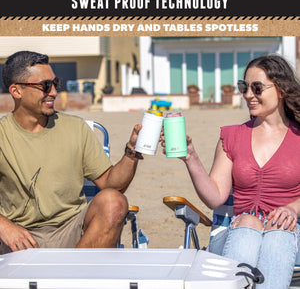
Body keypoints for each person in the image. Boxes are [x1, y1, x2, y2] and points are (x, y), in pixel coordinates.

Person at [162, 54, 300, 288]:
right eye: (244, 87)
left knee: (278, 229)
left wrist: (292, 208)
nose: (248, 95)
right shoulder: (232, 136)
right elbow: (215, 197)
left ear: (281, 90)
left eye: (257, 88)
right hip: (237, 233)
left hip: (290, 235)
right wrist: (191, 158)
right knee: (248, 222)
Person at [0, 50, 144, 254]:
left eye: (55, 83)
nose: (54, 93)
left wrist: (131, 152)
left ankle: (74, 274)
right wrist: (4, 226)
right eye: (45, 86)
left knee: (114, 201)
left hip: (71, 232)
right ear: (16, 91)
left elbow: (111, 184)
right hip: (16, 238)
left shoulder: (75, 128)